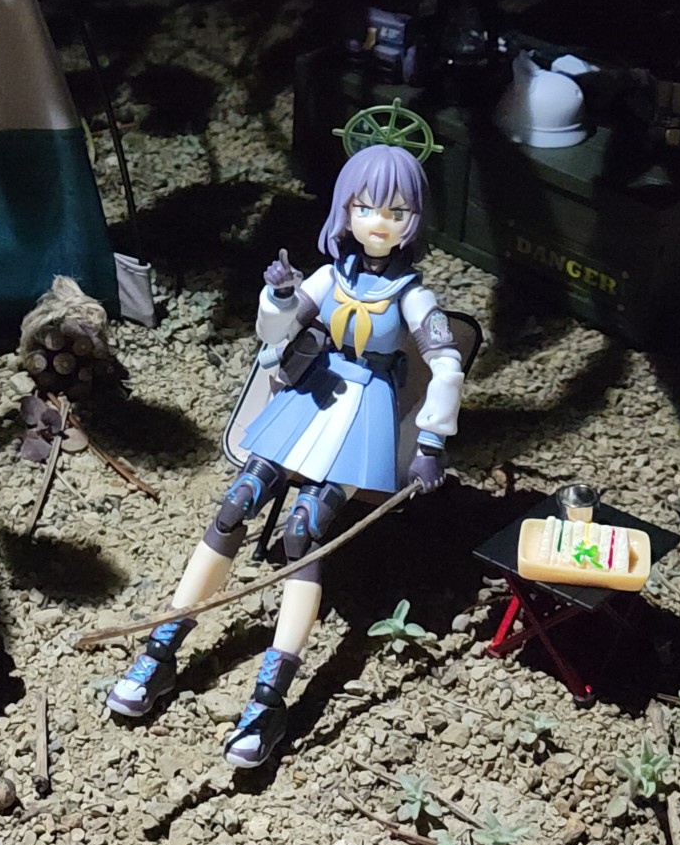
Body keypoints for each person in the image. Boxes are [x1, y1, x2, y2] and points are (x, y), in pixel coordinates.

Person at [106, 143, 464, 767]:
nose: (379, 223)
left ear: (414, 219)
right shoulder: (330, 277)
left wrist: (431, 439)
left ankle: (269, 699)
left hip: (361, 424)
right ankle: (162, 647)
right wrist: (277, 298)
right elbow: (274, 334)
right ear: (345, 210)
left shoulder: (413, 295)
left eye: (396, 211)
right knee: (233, 507)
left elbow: (447, 362)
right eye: (366, 207)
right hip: (307, 402)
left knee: (302, 535)